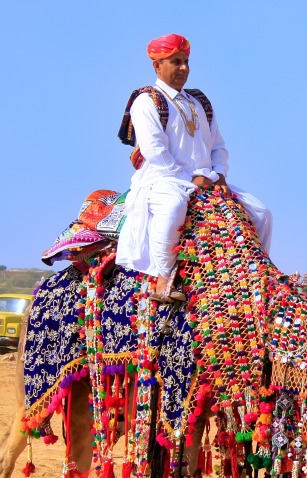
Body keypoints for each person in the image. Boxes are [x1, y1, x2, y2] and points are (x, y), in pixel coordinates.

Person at [114, 34, 273, 302]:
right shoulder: (146, 101)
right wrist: (191, 180)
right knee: (174, 207)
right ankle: (164, 279)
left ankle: (259, 275)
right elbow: (155, 152)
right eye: (176, 62)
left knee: (261, 212)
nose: (184, 68)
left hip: (207, 181)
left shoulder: (199, 102)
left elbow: (218, 147)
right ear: (157, 66)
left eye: (186, 62)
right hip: (163, 181)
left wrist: (219, 174)